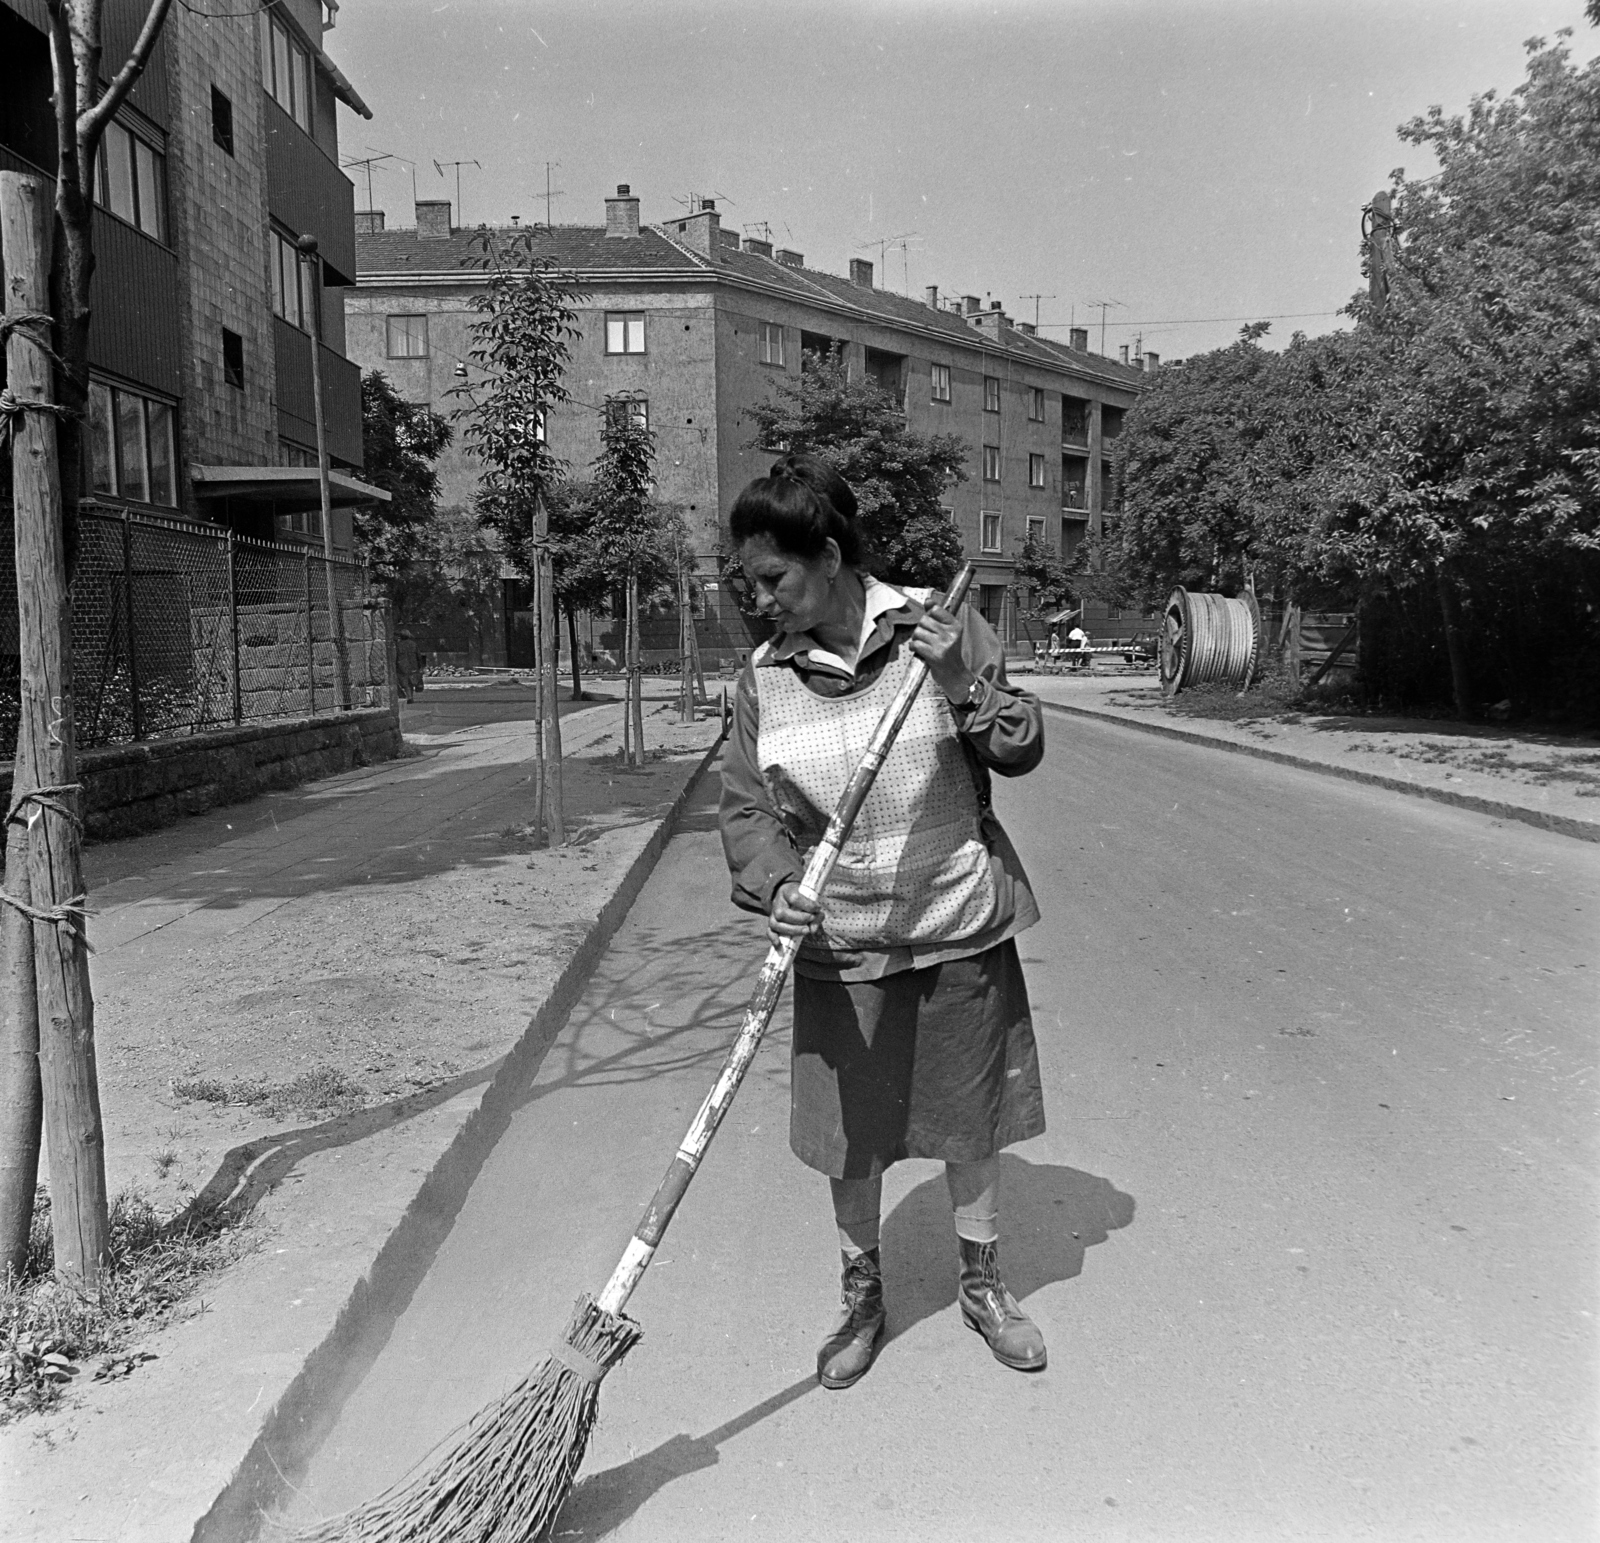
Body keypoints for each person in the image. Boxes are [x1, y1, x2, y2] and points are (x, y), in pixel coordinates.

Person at [719, 453, 1049, 1391]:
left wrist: (960, 685)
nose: (762, 596)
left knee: (967, 1108)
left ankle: (983, 1282)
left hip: (955, 918)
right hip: (842, 940)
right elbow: (744, 808)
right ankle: (863, 1293)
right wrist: (777, 881)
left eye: (774, 577)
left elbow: (1021, 745)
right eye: (751, 580)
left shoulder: (935, 628)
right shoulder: (764, 677)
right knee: (851, 1128)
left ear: (827, 556)